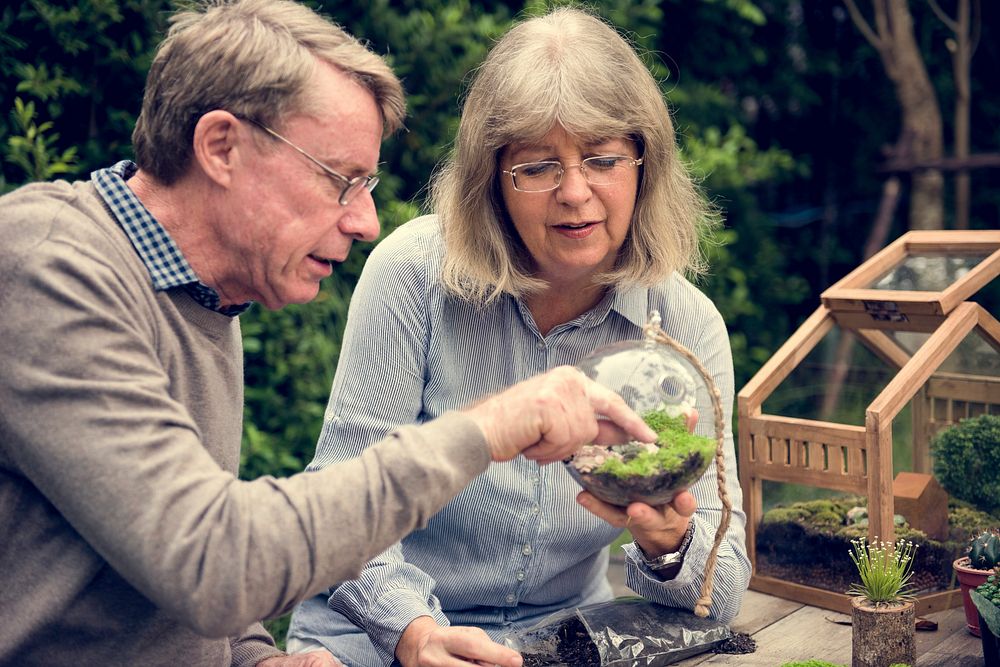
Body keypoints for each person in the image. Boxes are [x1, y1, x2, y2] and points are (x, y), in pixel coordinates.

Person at [0, 2, 658, 666]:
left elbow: (163, 562)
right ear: (222, 147)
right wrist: (485, 427)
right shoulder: (49, 271)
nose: (366, 221)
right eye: (342, 180)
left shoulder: (201, 299)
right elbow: (214, 561)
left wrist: (259, 656)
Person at [287, 6, 751, 667]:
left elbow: (723, 584)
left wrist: (668, 544)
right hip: (376, 640)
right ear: (492, 179)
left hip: (560, 644)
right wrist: (416, 633)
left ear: (644, 165)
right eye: (538, 166)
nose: (574, 192)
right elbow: (340, 502)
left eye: (601, 158)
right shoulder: (413, 275)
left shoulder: (685, 325)